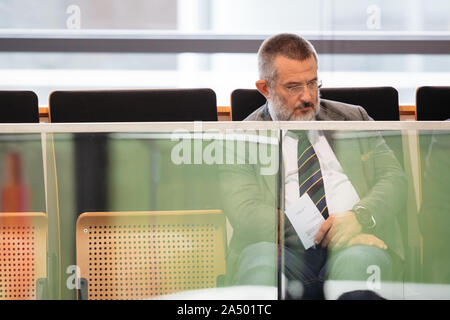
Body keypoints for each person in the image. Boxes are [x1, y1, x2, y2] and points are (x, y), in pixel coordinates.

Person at [219, 33, 407, 299]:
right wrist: (329, 233)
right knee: (261, 272)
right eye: (294, 87)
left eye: (313, 83)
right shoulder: (241, 138)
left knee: (359, 271)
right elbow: (246, 213)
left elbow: (393, 178)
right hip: (278, 249)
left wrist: (358, 219)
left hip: (358, 243)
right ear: (265, 88)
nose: (308, 97)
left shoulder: (354, 118)